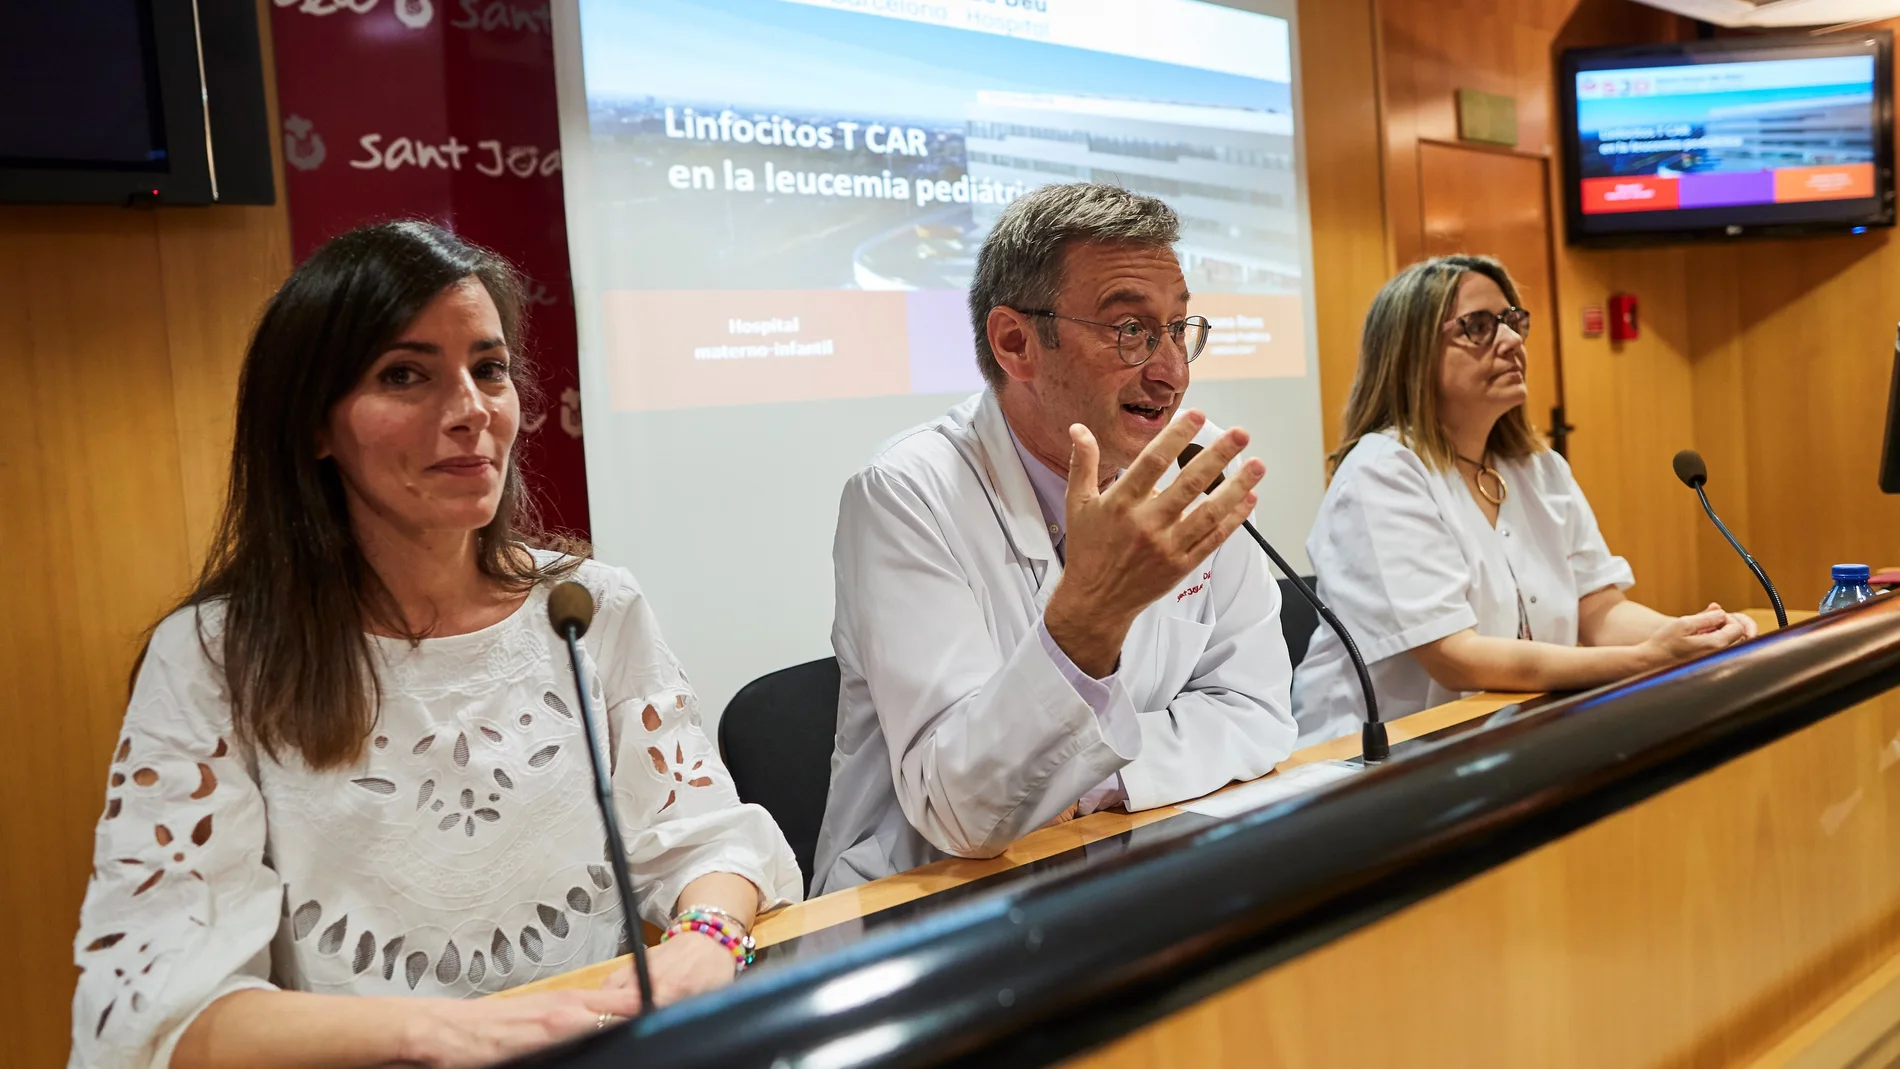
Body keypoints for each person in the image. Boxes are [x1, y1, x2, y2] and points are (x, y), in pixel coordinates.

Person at [70, 221, 801, 1069]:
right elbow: (168, 1014)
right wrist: (451, 1032)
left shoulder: (588, 604)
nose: (470, 412)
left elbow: (708, 840)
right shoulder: (213, 655)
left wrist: (705, 940)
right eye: (405, 375)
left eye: (488, 369)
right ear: (313, 424)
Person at [813, 183, 1295, 895]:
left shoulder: (1189, 474)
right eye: (1131, 329)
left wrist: (1094, 779)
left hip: (1127, 861)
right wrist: (1092, 615)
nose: (1172, 371)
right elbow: (965, 811)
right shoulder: (907, 492)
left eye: (1179, 328)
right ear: (1015, 343)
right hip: (925, 909)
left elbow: (1256, 713)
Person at [1291, 254, 1755, 744]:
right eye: (1478, 327)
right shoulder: (1383, 471)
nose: (1512, 342)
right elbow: (1455, 658)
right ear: (1412, 353)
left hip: (1506, 736)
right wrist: (1646, 660)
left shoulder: (1538, 467)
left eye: (1512, 321)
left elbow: (1600, 612)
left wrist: (1699, 636)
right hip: (1367, 765)